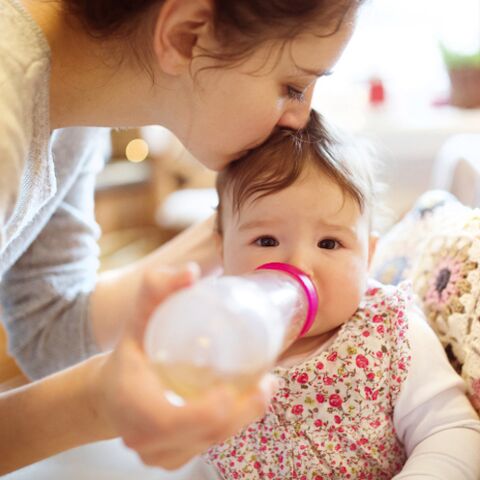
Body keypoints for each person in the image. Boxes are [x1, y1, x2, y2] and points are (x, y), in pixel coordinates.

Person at [0, 0, 364, 473]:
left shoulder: (73, 114)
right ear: (187, 34)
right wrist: (93, 405)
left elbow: (49, 333)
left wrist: (245, 229)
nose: (299, 117)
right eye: (292, 86)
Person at [204, 110, 480, 478]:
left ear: (368, 256)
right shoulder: (214, 340)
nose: (299, 264)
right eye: (266, 241)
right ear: (221, 250)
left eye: (329, 242)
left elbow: (450, 431)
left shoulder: (390, 332)